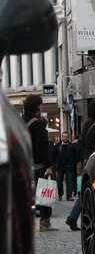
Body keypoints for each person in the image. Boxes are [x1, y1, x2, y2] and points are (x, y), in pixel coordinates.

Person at [65, 98, 95, 231]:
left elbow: (83, 143)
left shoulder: (86, 124)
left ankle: (74, 217)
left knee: (88, 190)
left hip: (88, 160)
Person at [23, 94, 59, 232]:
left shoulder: (21, 121)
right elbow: (42, 147)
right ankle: (45, 222)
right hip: (38, 166)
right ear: (38, 106)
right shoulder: (37, 125)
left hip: (23, 164)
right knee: (44, 193)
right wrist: (48, 165)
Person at [51, 131, 75, 201]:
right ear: (62, 137)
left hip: (68, 166)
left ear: (68, 137)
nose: (65, 138)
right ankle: (60, 194)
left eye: (66, 137)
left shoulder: (71, 145)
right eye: (64, 137)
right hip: (60, 166)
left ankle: (69, 196)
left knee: (69, 181)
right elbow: (54, 155)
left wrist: (72, 164)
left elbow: (74, 155)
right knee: (59, 181)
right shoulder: (57, 146)